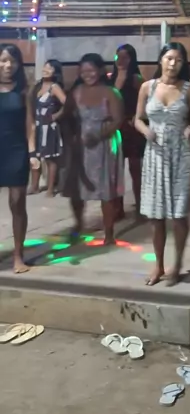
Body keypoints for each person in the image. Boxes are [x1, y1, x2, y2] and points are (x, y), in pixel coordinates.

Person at [135, 42, 190, 286]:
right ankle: (158, 265)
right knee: (156, 215)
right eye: (169, 58)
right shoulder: (147, 87)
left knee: (179, 213)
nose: (173, 64)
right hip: (155, 155)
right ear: (161, 59)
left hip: (181, 153)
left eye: (178, 60)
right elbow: (137, 119)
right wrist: (146, 131)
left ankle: (178, 263)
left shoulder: (189, 89)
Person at [64, 53, 124, 245]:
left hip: (105, 146)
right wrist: (72, 137)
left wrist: (98, 135)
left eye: (91, 70)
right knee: (77, 189)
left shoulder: (111, 93)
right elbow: (66, 116)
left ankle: (109, 232)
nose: (87, 75)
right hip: (81, 146)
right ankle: (78, 223)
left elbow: (118, 120)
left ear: (100, 70)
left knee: (106, 190)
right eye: (83, 71)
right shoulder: (76, 92)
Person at [0, 43, 40, 273]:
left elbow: (30, 125)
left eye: (12, 61)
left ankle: (18, 255)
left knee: (17, 202)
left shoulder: (25, 90)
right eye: (3, 60)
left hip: (16, 150)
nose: (8, 65)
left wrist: (33, 153)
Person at [110, 44, 144, 219]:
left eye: (125, 57)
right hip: (116, 128)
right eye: (118, 57)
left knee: (135, 169)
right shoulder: (111, 78)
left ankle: (140, 207)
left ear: (132, 59)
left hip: (131, 127)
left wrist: (138, 116)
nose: (121, 60)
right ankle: (118, 208)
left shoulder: (136, 78)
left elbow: (146, 100)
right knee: (116, 170)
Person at [30, 59, 66, 196]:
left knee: (50, 159)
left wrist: (56, 115)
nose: (46, 70)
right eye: (45, 67)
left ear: (55, 72)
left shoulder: (54, 87)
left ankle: (51, 189)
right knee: (35, 156)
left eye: (50, 68)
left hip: (49, 128)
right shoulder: (38, 86)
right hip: (37, 126)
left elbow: (68, 103)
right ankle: (34, 186)